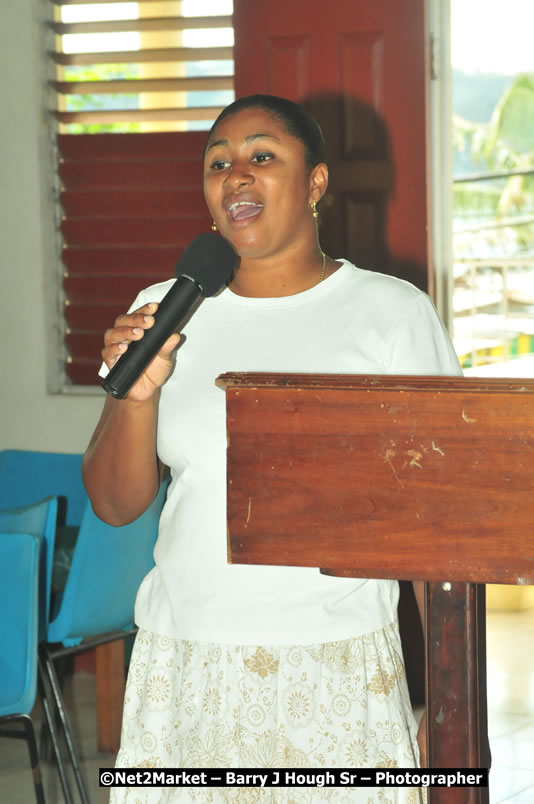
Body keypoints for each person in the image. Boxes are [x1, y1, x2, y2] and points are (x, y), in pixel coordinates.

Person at [83, 94, 461, 802]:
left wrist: (444, 705)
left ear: (316, 182)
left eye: (262, 156)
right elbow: (113, 502)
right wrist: (134, 395)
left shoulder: (390, 314)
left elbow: (435, 531)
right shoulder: (163, 307)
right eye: (218, 163)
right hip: (187, 656)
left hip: (335, 661)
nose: (236, 177)